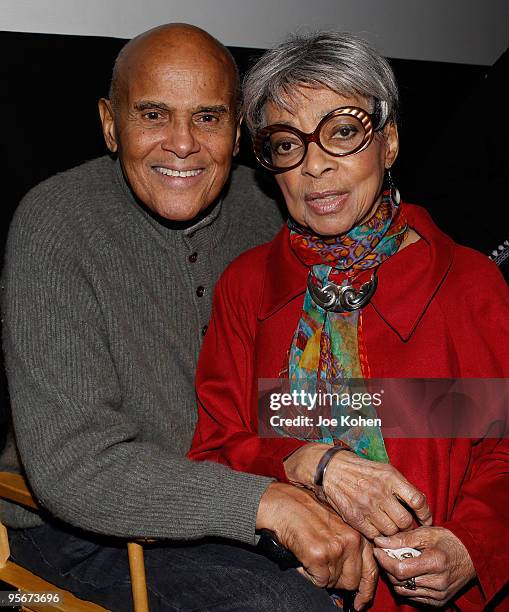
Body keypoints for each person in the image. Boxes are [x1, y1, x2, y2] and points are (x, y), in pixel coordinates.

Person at [0, 23, 377, 611]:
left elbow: (294, 393)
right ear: (109, 123)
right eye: (153, 115)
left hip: (245, 501)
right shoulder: (55, 224)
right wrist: (266, 502)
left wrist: (345, 465)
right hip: (83, 532)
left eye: (207, 117)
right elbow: (75, 466)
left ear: (237, 131)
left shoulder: (274, 214)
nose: (182, 143)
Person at [189, 31, 509, 610]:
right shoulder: (249, 287)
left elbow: (503, 450)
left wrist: (473, 545)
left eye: (341, 132)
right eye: (287, 144)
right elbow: (215, 450)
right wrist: (309, 461)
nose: (315, 165)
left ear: (387, 143)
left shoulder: (468, 285)